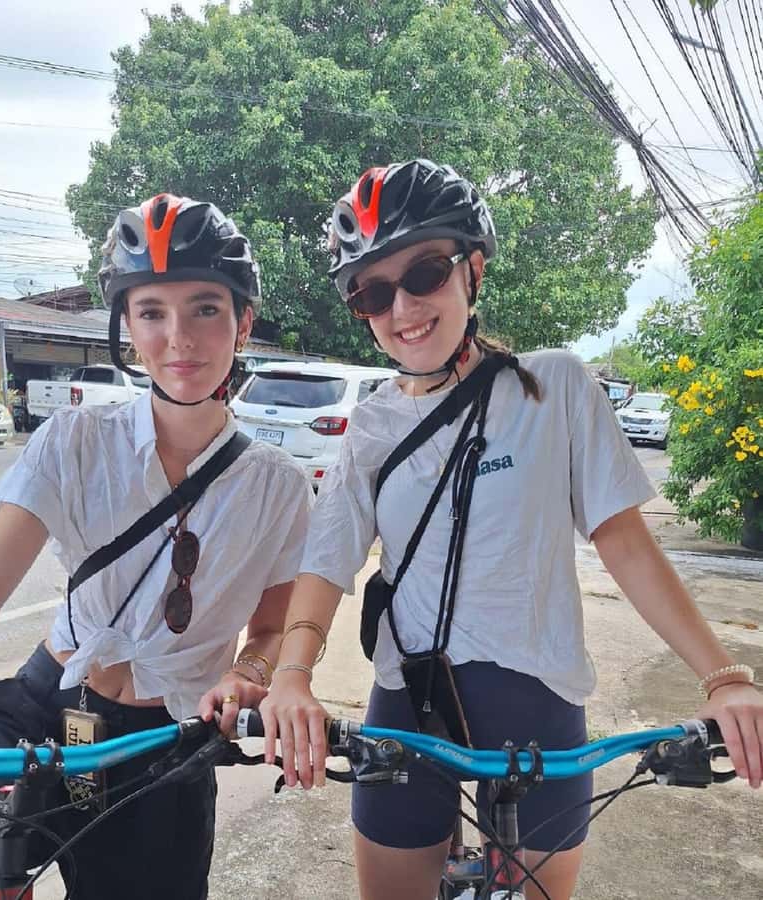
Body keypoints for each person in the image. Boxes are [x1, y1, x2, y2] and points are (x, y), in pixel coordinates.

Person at [259, 159, 763, 900]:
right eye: (372, 291)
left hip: (537, 700)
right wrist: (292, 679)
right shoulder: (369, 422)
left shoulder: (553, 384)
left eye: (425, 272)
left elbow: (624, 542)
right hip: (410, 697)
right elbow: (328, 561)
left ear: (474, 270)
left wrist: (724, 679)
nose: (402, 308)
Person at [0, 192, 312, 900]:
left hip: (165, 747)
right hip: (49, 714)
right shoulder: (76, 441)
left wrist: (250, 674)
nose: (179, 338)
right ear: (126, 325)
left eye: (205, 308)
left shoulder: (278, 486)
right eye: (151, 312)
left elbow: (273, 627)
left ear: (243, 320)